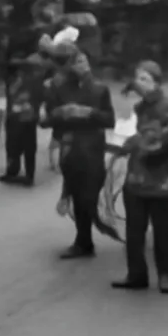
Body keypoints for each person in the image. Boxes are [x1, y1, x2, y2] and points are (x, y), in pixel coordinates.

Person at [113, 61, 168, 294]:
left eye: (144, 78)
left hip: (162, 179)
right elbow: (144, 134)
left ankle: (166, 275)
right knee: (134, 230)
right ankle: (136, 274)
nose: (138, 82)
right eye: (137, 77)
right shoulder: (141, 107)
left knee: (163, 230)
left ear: (157, 83)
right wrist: (137, 142)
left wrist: (164, 151)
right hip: (137, 177)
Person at [41, 46, 115, 258]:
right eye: (77, 62)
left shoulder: (100, 89)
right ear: (68, 67)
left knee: (87, 198)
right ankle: (84, 241)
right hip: (70, 149)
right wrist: (61, 112)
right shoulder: (58, 89)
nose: (82, 66)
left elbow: (110, 120)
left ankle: (86, 237)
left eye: (85, 62)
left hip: (92, 149)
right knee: (76, 195)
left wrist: (89, 113)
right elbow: (46, 120)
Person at [0, 58, 45, 187]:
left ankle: (15, 172)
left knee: (15, 147)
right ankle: (26, 174)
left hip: (18, 119)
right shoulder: (31, 81)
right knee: (26, 147)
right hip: (24, 119)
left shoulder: (17, 81)